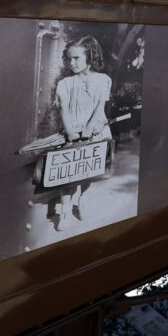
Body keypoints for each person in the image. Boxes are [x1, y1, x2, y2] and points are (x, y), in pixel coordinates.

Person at [53, 35, 112, 230]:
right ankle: (65, 209)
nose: (72, 63)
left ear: (91, 56)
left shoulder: (103, 80)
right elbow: (64, 109)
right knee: (67, 173)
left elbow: (100, 107)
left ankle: (83, 199)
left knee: (88, 170)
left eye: (77, 58)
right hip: (72, 133)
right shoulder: (65, 83)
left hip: (94, 132)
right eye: (69, 58)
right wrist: (70, 131)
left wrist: (89, 128)